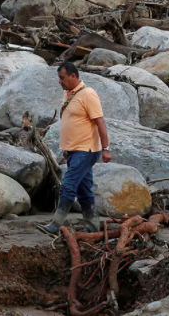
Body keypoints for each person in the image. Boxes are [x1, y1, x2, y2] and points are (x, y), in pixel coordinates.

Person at [38, 62, 112, 235]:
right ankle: (93, 229)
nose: (59, 81)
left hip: (86, 150)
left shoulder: (88, 94)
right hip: (74, 150)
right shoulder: (69, 93)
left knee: (68, 185)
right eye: (59, 78)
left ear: (73, 76)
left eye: (62, 78)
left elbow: (100, 122)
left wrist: (106, 148)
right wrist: (67, 148)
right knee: (83, 190)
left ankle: (55, 225)